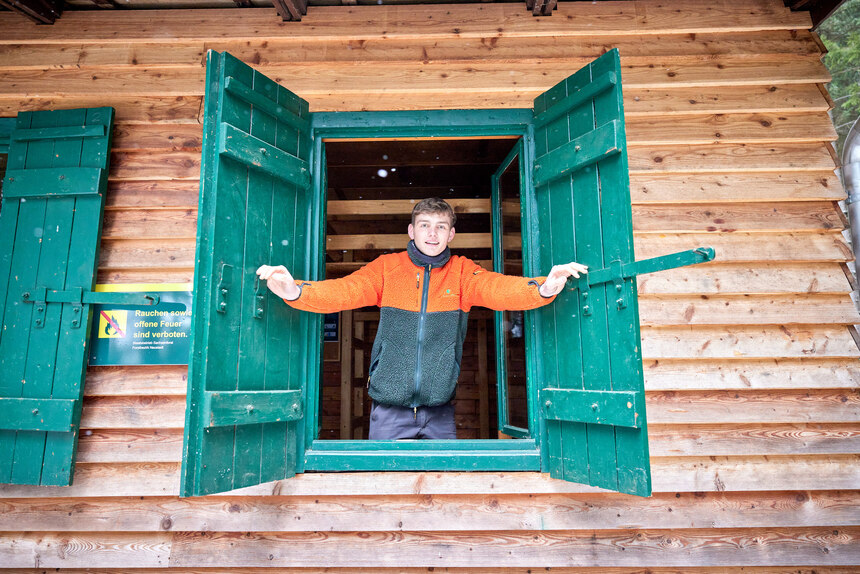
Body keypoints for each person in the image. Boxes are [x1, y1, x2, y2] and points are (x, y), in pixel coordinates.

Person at [256, 197, 587, 440]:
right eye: (425, 226)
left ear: (451, 234)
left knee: (444, 492)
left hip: (439, 412)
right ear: (412, 230)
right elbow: (341, 292)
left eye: (441, 227)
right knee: (384, 491)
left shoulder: (462, 273)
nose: (433, 234)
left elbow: (499, 289)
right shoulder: (387, 268)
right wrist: (294, 291)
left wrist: (544, 288)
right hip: (388, 411)